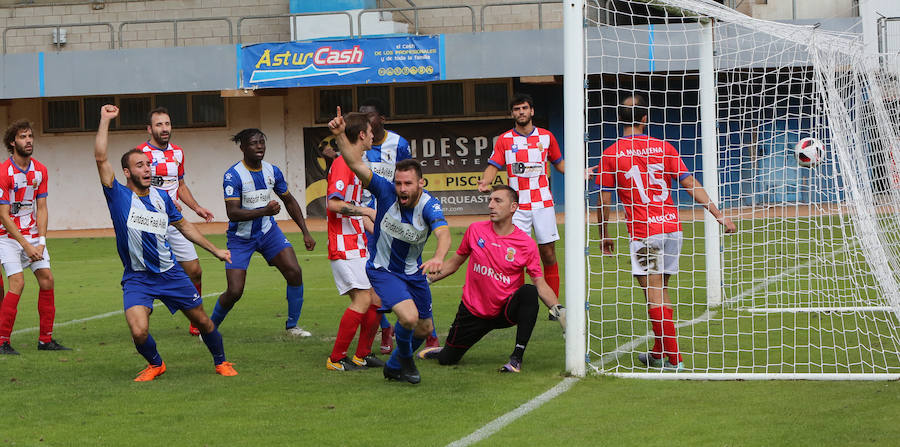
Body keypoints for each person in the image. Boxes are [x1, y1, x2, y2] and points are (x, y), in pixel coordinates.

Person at [93, 104, 236, 381]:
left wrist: (215, 250)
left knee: (203, 321)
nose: (147, 169)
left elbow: (184, 226)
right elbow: (100, 158)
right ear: (126, 172)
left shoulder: (162, 198)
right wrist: (104, 120)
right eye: (139, 165)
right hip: (137, 277)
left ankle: (221, 362)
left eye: (148, 164)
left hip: (170, 273)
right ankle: (156, 364)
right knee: (138, 331)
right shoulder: (117, 195)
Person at [595, 94, 737, 371]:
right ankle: (659, 352)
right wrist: (718, 214)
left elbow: (604, 199)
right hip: (672, 229)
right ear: (645, 119)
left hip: (645, 234)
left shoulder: (611, 153)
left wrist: (604, 233)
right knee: (661, 289)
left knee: (654, 293)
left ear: (618, 119)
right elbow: (689, 182)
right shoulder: (664, 147)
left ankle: (675, 359)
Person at [328, 107, 451, 384]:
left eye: (408, 183)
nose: (402, 189)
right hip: (384, 270)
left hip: (414, 272)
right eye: (398, 183)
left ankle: (395, 364)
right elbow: (356, 163)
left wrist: (439, 257)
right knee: (408, 318)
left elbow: (444, 234)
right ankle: (406, 363)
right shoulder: (384, 191)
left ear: (421, 183)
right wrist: (338, 136)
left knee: (424, 328)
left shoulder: (429, 206)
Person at [417, 185, 564, 372]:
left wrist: (559, 310)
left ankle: (516, 358)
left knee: (529, 292)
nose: (491, 205)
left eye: (498, 201)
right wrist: (425, 281)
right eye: (490, 200)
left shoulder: (526, 244)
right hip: (473, 310)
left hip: (505, 310)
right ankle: (445, 351)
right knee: (447, 360)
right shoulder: (475, 230)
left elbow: (540, 284)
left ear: (513, 207)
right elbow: (454, 263)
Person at [210, 128, 317, 336]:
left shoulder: (272, 171)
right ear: (242, 148)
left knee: (294, 271)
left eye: (262, 142)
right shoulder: (233, 175)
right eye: (253, 143)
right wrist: (264, 210)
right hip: (240, 238)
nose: (259, 146)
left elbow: (289, 200)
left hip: (269, 233)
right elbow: (232, 213)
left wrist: (305, 231)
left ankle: (292, 326)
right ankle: (209, 328)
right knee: (234, 291)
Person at [359, 98, 441, 352]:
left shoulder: (399, 144)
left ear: (381, 119)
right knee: (377, 282)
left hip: (396, 216)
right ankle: (387, 332)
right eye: (361, 117)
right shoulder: (359, 145)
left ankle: (429, 333)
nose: (366, 122)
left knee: (409, 269)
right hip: (368, 217)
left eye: (369, 116)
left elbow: (408, 175)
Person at [478, 93, 565, 309]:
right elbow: (493, 165)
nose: (521, 112)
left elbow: (559, 163)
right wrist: (485, 182)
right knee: (515, 256)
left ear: (532, 111)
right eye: (517, 109)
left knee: (548, 253)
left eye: (524, 108)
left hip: (543, 204)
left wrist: (579, 172)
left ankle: (554, 307)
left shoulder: (546, 137)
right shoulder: (505, 140)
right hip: (516, 208)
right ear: (512, 113)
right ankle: (517, 303)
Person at [136, 107, 215, 336]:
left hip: (175, 222)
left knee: (195, 270)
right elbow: (136, 187)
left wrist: (197, 207)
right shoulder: (140, 153)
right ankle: (140, 324)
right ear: (149, 129)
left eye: (167, 124)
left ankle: (195, 319)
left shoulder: (178, 153)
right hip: (149, 223)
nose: (164, 129)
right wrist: (162, 202)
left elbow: (180, 186)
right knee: (148, 276)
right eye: (159, 125)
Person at [0, 120, 66, 355]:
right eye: (22, 137)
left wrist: (41, 242)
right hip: (7, 236)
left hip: (32, 236)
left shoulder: (40, 170)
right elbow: (4, 216)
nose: (28, 141)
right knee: (17, 282)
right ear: (12, 142)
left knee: (47, 279)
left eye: (30, 136)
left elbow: (43, 208)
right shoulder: (3, 172)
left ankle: (45, 340)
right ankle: (2, 342)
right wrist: (26, 245)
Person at [324, 149, 385, 371]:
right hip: (343, 245)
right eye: (369, 132)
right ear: (361, 135)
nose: (372, 137)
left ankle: (363, 355)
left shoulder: (357, 163)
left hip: (358, 244)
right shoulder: (342, 163)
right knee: (362, 299)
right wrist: (367, 210)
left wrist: (383, 236)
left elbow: (359, 216)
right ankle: (336, 358)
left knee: (376, 298)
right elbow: (334, 204)